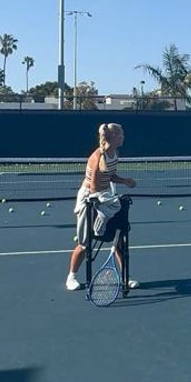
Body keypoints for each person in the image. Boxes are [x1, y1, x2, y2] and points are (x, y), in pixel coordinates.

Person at [66, 122, 137, 292]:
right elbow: (94, 188)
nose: (123, 136)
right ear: (112, 137)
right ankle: (71, 277)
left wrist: (124, 181)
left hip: (104, 195)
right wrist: (105, 205)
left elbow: (109, 176)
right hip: (89, 198)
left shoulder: (114, 153)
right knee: (85, 243)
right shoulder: (97, 157)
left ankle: (125, 278)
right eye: (120, 134)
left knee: (118, 239)